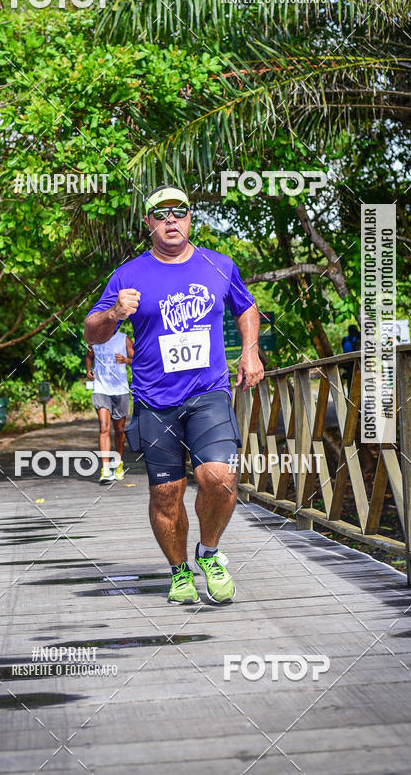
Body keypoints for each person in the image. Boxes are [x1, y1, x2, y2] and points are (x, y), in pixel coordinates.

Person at [84, 183, 264, 604]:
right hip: (154, 399)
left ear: (189, 218)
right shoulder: (128, 275)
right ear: (148, 223)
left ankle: (210, 553)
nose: (170, 220)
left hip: (208, 392)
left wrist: (250, 352)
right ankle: (179, 571)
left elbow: (247, 308)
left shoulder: (219, 265)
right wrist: (113, 313)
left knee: (218, 478)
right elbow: (93, 332)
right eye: (160, 214)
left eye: (178, 212)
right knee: (166, 493)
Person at [85, 332, 134, 484]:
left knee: (119, 431)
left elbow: (137, 361)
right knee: (104, 428)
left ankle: (118, 463)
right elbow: (89, 356)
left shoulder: (124, 339)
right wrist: (88, 369)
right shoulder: (95, 338)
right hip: (101, 389)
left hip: (120, 390)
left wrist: (125, 360)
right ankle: (105, 469)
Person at [341, 324, 360, 396]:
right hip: (354, 364)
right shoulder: (357, 338)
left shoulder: (345, 339)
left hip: (347, 364)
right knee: (355, 384)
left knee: (351, 384)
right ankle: (356, 404)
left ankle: (352, 402)